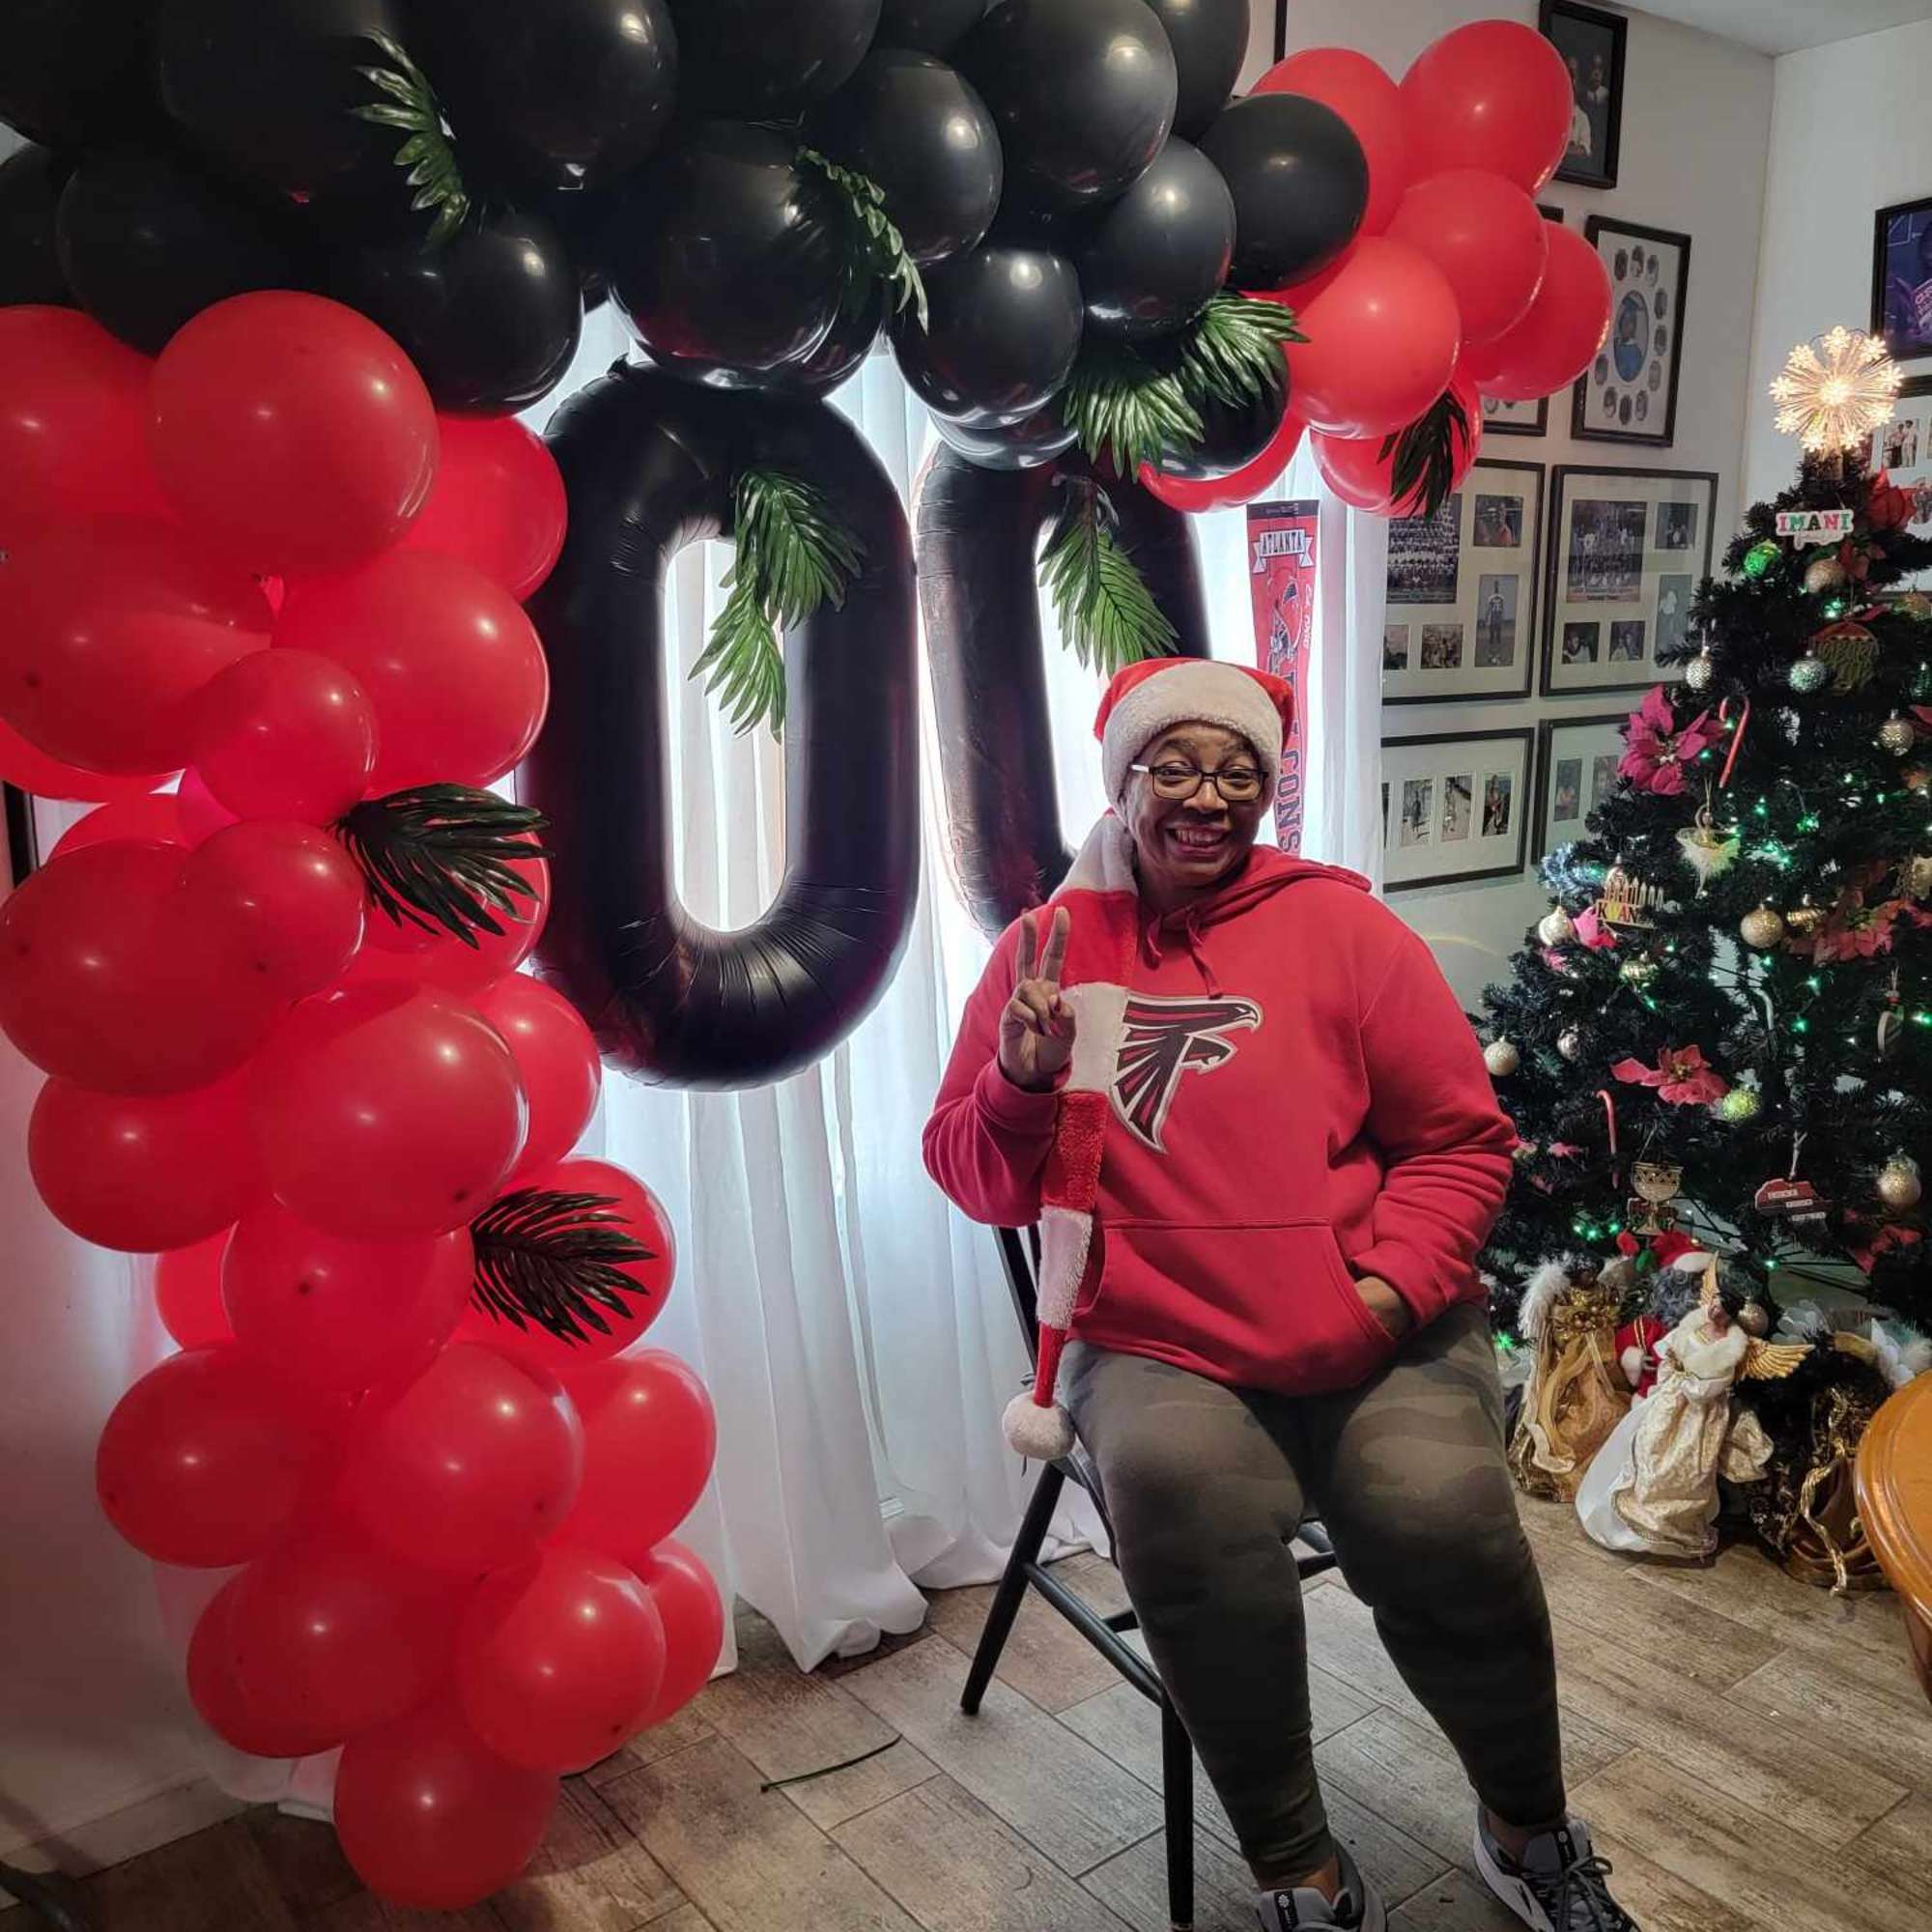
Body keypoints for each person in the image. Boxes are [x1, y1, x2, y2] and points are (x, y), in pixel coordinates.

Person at [923, 659, 1640, 1932]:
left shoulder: (1346, 930)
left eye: (1237, 771)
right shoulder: (1045, 950)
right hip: (1156, 1338)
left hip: (1371, 1320)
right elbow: (977, 1184)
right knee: (1184, 1513)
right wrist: (1019, 1085)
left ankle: (1529, 1832)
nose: (1207, 797)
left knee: (1445, 1521)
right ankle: (1296, 1866)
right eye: (1175, 767)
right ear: (1124, 782)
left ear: (1268, 785)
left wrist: (1383, 1291)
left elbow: (1460, 1143)